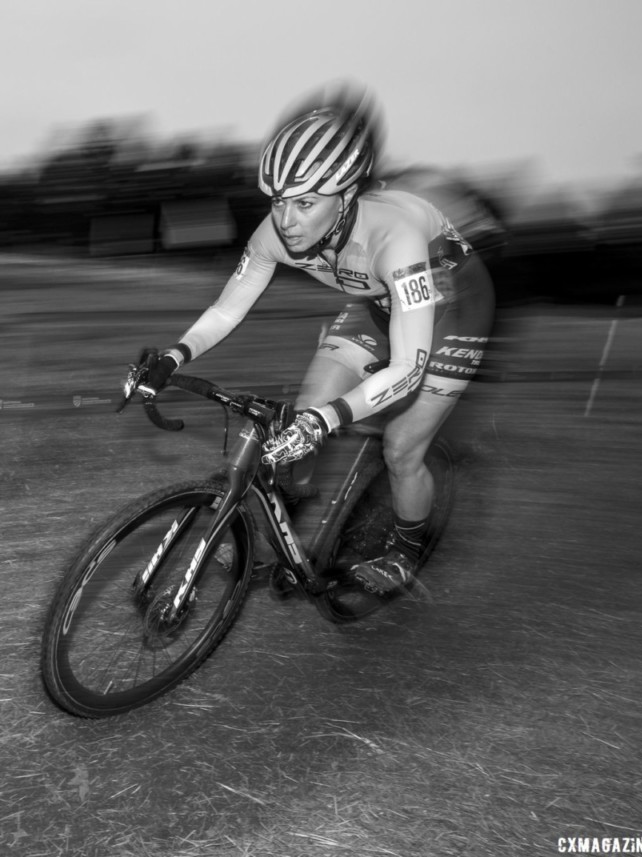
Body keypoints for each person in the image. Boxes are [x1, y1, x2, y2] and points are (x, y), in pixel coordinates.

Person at [139, 83, 495, 595]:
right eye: (278, 202)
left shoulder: (395, 238)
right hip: (378, 301)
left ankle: (405, 553)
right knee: (306, 405)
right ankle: (287, 520)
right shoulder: (274, 233)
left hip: (453, 310)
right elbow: (225, 310)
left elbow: (408, 369)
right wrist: (173, 357)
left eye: (305, 203)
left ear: (347, 194)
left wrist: (328, 421)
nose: (287, 221)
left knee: (399, 449)